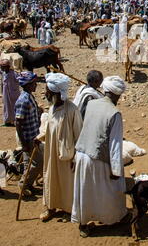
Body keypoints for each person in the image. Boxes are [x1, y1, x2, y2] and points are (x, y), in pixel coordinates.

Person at [71, 75, 129, 237]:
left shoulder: (92, 104)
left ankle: (83, 224)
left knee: (86, 191)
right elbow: (115, 144)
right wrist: (115, 170)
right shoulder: (115, 113)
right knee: (111, 191)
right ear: (116, 94)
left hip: (82, 154)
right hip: (99, 159)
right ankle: (115, 217)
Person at [35, 73, 83, 222]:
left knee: (67, 182)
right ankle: (50, 207)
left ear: (55, 93)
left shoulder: (72, 110)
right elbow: (49, 128)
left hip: (66, 154)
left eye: (48, 91)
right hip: (51, 153)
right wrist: (39, 138)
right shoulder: (51, 108)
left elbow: (79, 135)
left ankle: (68, 210)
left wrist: (76, 157)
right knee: (50, 179)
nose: (45, 93)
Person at [15, 72, 44, 196]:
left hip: (34, 135)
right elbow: (18, 123)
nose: (36, 85)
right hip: (29, 138)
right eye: (33, 83)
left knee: (29, 163)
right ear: (27, 85)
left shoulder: (29, 96)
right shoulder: (23, 100)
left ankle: (28, 185)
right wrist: (24, 143)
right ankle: (24, 184)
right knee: (38, 162)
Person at [0, 59, 20, 126]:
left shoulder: (14, 73)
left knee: (14, 107)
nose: (1, 68)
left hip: (13, 94)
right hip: (6, 94)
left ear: (7, 66)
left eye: (2, 66)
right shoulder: (4, 72)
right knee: (6, 107)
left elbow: (20, 79)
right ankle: (7, 121)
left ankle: (16, 121)